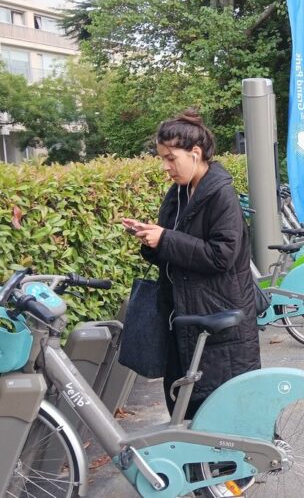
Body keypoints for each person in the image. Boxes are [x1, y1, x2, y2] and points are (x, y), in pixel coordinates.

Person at [122, 109, 261, 419]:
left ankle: (229, 469)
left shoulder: (220, 194)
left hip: (219, 320)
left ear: (195, 153)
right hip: (185, 317)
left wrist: (166, 239)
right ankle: (198, 468)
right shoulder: (179, 193)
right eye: (162, 158)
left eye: (171, 158)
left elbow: (222, 254)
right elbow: (173, 249)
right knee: (186, 407)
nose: (165, 166)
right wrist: (151, 239)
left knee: (221, 410)